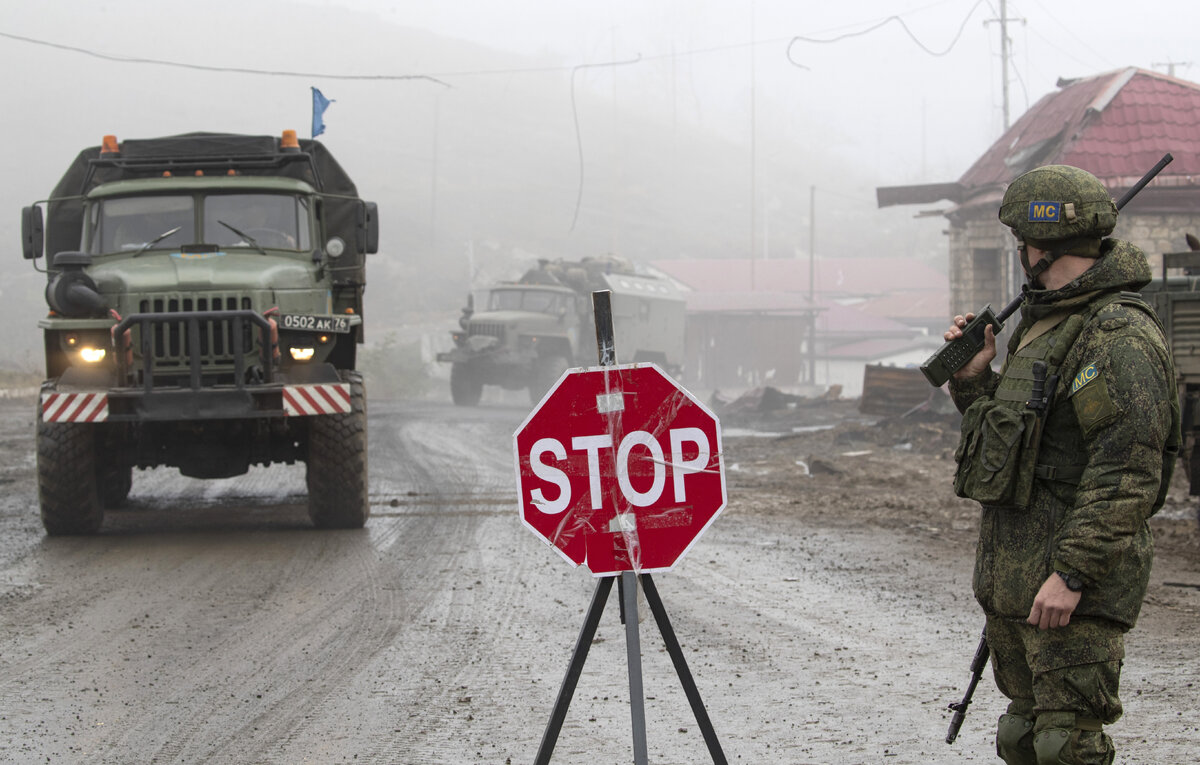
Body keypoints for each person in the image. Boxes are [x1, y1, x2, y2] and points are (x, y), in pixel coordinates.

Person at [944, 165, 1180, 765]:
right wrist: (973, 382)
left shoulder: (1116, 334)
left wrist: (1072, 574)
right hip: (1018, 581)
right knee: (1022, 739)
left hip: (1068, 587)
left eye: (1019, 241)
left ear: (1038, 245)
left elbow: (1127, 473)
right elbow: (1018, 446)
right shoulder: (1044, 323)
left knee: (1064, 746)